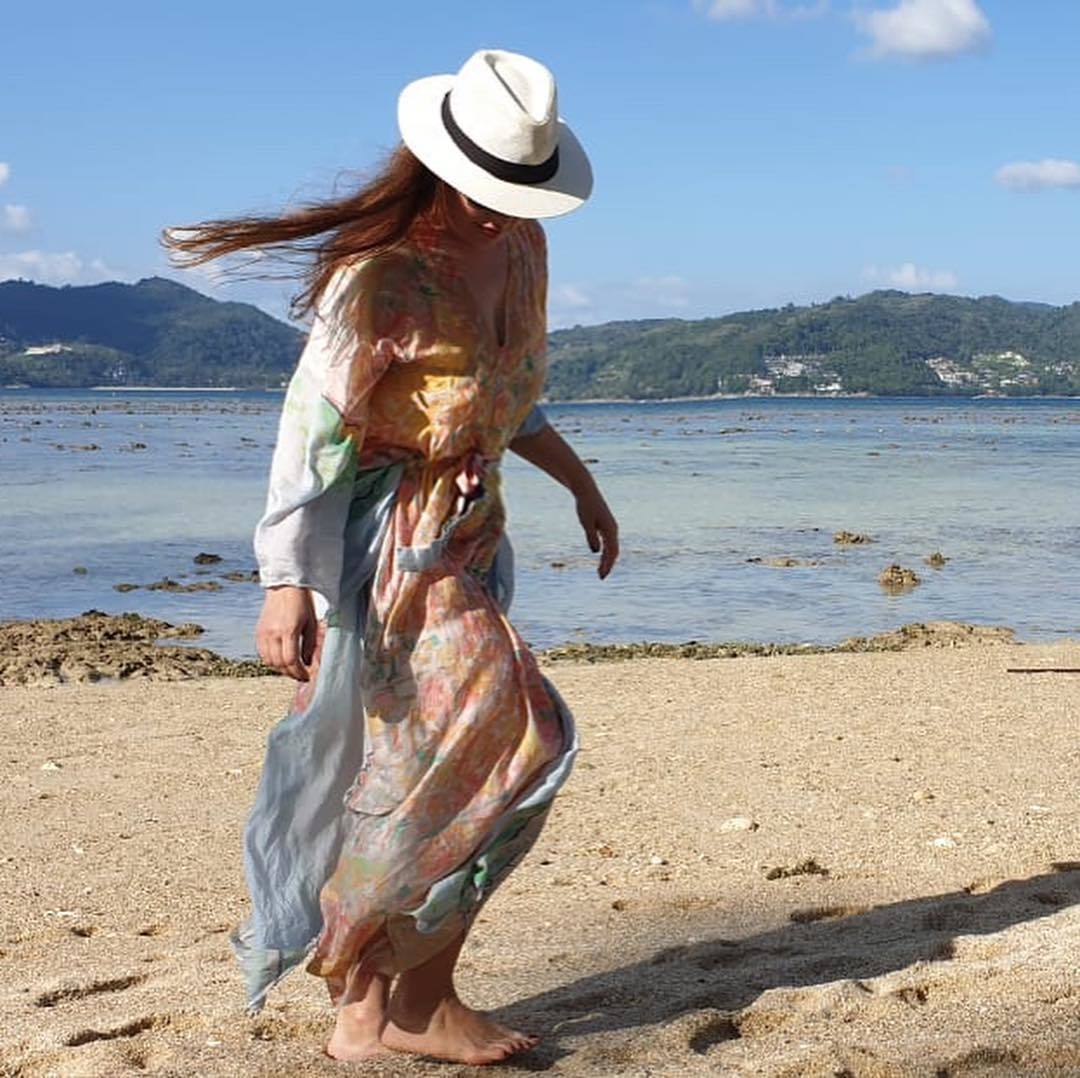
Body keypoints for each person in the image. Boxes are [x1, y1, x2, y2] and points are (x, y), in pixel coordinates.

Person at [162, 48, 618, 1065]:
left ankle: (371, 999)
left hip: (469, 541)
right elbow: (311, 436)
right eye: (488, 189)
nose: (501, 213)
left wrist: (582, 485)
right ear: (440, 165)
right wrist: (286, 582)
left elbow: (507, 398)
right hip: (388, 554)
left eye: (519, 191)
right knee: (523, 737)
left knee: (427, 760)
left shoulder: (525, 248)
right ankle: (399, 991)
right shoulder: (377, 278)